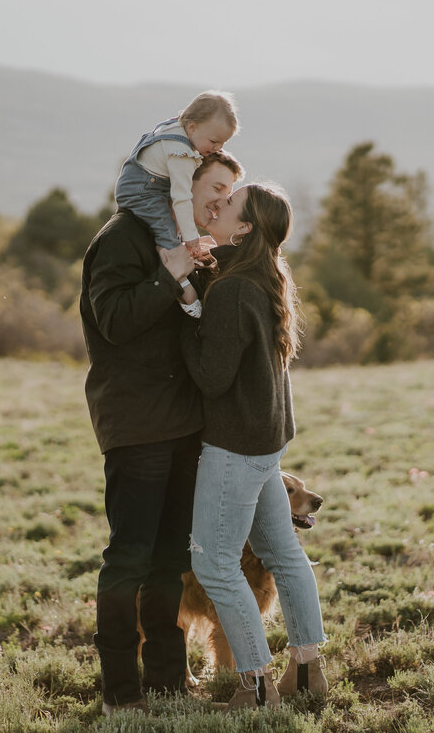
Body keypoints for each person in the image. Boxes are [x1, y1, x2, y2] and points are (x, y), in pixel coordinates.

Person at [80, 151, 244, 716]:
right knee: (129, 558)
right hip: (135, 421)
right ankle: (121, 692)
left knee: (171, 558)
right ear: (184, 184)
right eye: (215, 190)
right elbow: (114, 320)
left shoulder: (191, 243)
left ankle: (171, 684)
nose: (221, 203)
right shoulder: (124, 236)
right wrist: (168, 274)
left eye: (230, 195)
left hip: (184, 425)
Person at [180, 183, 328, 711]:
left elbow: (211, 378)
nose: (216, 207)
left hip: (236, 443)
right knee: (285, 554)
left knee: (216, 564)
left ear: (243, 228)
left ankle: (256, 687)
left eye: (228, 204)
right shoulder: (267, 274)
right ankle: (308, 672)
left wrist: (187, 312)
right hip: (268, 439)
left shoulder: (233, 289)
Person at [114, 90, 239, 261]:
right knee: (167, 235)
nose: (217, 148)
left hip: (134, 180)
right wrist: (191, 238)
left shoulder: (174, 127)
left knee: (167, 229)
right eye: (213, 141)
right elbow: (182, 197)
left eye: (223, 143)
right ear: (192, 127)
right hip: (143, 191)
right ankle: (178, 269)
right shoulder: (182, 154)